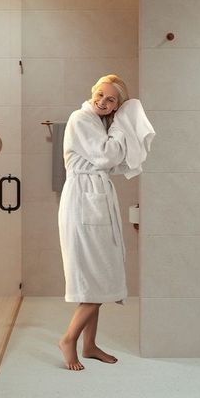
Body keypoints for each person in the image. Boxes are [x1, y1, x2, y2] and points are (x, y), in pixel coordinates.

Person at [57, 74, 130, 371]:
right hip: (83, 201)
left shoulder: (98, 122)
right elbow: (107, 156)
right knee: (95, 277)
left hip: (93, 198)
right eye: (100, 94)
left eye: (110, 99)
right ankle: (68, 339)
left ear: (116, 105)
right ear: (93, 92)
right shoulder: (81, 118)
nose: (102, 101)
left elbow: (111, 163)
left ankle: (89, 345)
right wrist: (122, 128)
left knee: (96, 276)